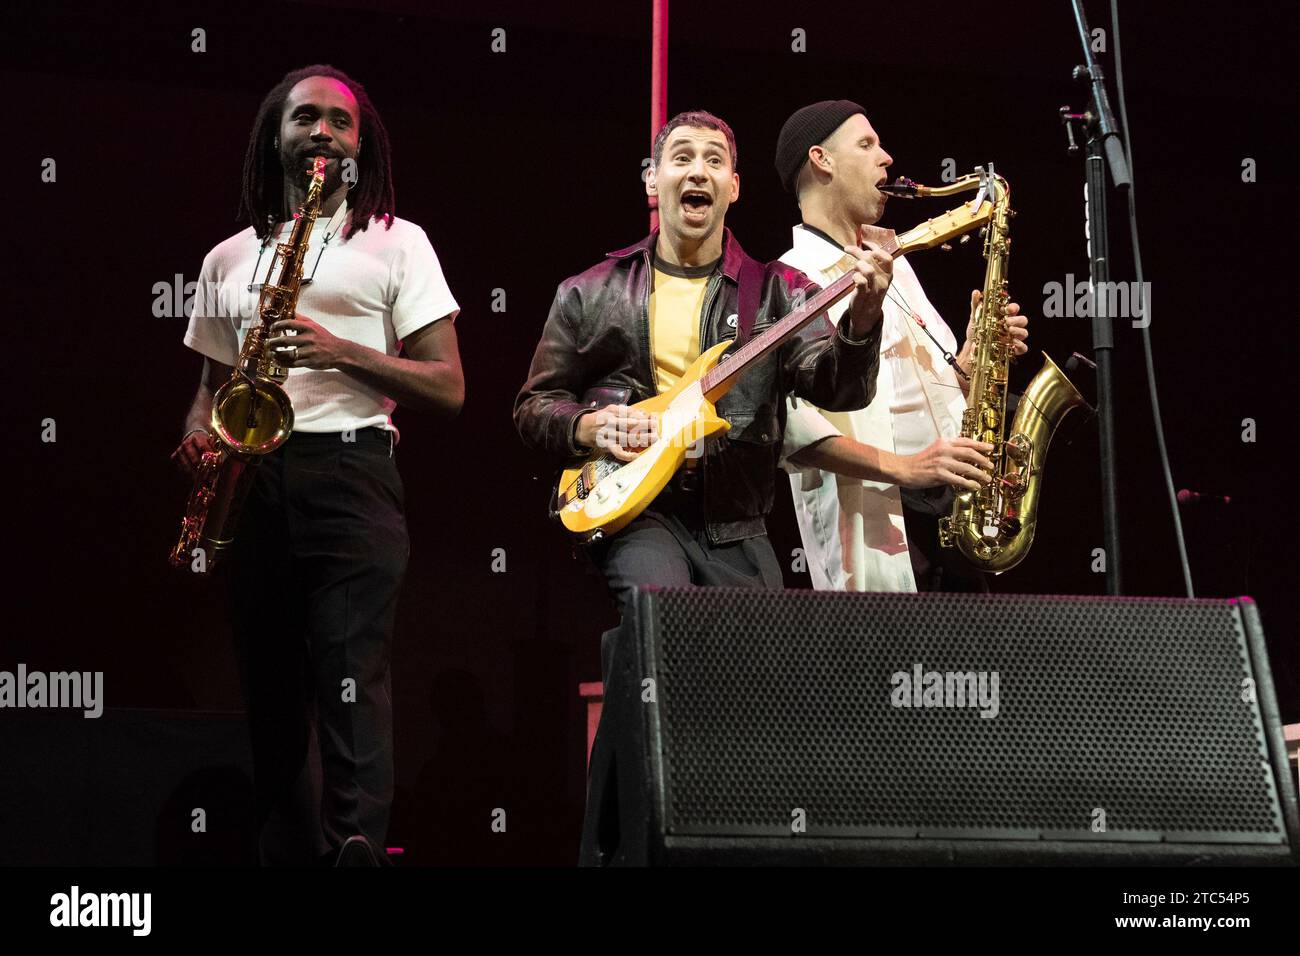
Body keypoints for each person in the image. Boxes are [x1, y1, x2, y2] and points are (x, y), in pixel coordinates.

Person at [172, 64, 464, 866]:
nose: (323, 132)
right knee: (269, 695)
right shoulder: (228, 258)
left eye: (340, 121)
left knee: (350, 676)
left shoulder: (398, 241)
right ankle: (287, 852)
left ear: (359, 146)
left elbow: (449, 386)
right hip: (253, 478)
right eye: (307, 118)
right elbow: (207, 389)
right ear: (277, 135)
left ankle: (356, 848)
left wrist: (343, 352)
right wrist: (202, 435)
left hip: (352, 471)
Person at [514, 109, 889, 665]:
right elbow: (532, 408)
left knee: (761, 674)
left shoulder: (778, 293)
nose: (697, 172)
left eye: (714, 161)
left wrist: (864, 314)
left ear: (733, 187)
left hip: (734, 520)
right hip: (640, 507)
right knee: (661, 616)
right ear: (652, 179)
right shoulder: (588, 293)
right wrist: (590, 425)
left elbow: (840, 390)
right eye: (681, 158)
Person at [773, 100, 1031, 593]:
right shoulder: (789, 280)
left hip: (956, 511)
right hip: (886, 523)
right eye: (866, 144)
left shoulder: (897, 261)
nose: (886, 157)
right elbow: (792, 430)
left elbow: (924, 391)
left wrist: (970, 363)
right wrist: (909, 468)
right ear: (821, 160)